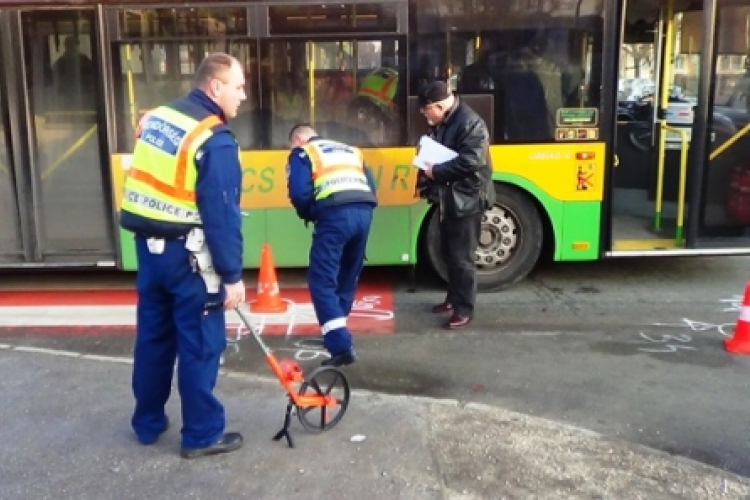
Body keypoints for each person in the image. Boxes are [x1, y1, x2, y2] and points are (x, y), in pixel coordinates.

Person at [119, 52, 247, 459]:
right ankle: (202, 434)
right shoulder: (214, 139)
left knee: (154, 339)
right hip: (190, 262)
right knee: (200, 345)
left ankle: (147, 424)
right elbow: (221, 216)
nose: (243, 96)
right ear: (215, 87)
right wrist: (232, 277)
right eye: (238, 87)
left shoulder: (158, 118)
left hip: (149, 255)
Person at [285, 124, 378, 366]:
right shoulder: (350, 150)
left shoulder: (303, 153)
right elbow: (371, 185)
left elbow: (299, 193)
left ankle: (340, 347)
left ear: (297, 138)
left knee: (321, 279)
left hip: (335, 215)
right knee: (348, 274)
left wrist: (312, 213)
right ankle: (339, 329)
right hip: (364, 211)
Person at [415, 81, 495, 329]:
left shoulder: (470, 123)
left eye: (426, 110)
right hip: (451, 197)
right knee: (449, 253)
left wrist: (435, 171)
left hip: (466, 200)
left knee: (462, 258)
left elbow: (471, 161)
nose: (423, 114)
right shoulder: (447, 120)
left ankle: (464, 308)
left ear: (438, 106)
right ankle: (453, 298)